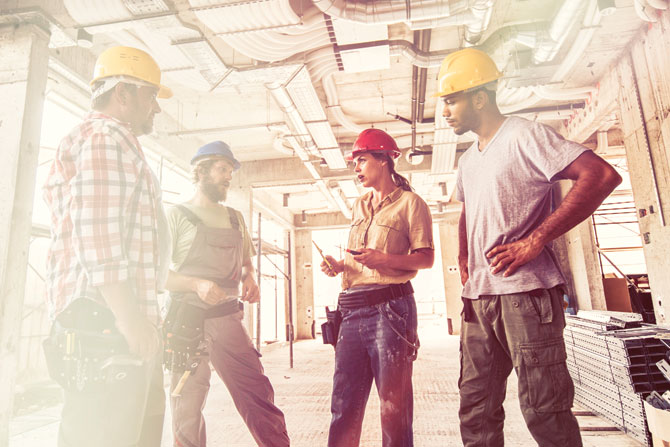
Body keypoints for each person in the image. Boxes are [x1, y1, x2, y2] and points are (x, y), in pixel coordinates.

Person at [436, 48, 623, 447]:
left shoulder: (524, 135)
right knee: (476, 409)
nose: (446, 110)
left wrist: (536, 239)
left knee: (545, 410)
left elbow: (601, 175)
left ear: (480, 98)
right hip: (479, 299)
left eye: (452, 100)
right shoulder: (468, 160)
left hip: (525, 296)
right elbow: (471, 209)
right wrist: (464, 257)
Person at [43, 46, 173, 447]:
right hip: (106, 321)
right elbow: (99, 235)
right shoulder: (104, 138)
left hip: (113, 320)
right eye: (151, 95)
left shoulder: (115, 142)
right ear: (123, 93)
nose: (156, 108)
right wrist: (131, 320)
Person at [164, 141, 290, 447]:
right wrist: (196, 284)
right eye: (222, 169)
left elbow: (247, 263)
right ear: (202, 171)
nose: (228, 177)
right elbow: (158, 275)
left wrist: (251, 278)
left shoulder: (235, 218)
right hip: (187, 325)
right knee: (186, 410)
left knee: (257, 393)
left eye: (230, 171)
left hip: (228, 320)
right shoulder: (176, 216)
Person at [320, 128, 434, 447]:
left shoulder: (411, 204)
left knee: (393, 408)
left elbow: (425, 259)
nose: (356, 168)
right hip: (352, 312)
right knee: (343, 404)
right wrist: (339, 265)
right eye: (355, 162)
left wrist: (385, 258)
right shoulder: (359, 206)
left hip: (390, 312)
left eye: (362, 160)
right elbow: (357, 259)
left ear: (384, 161)